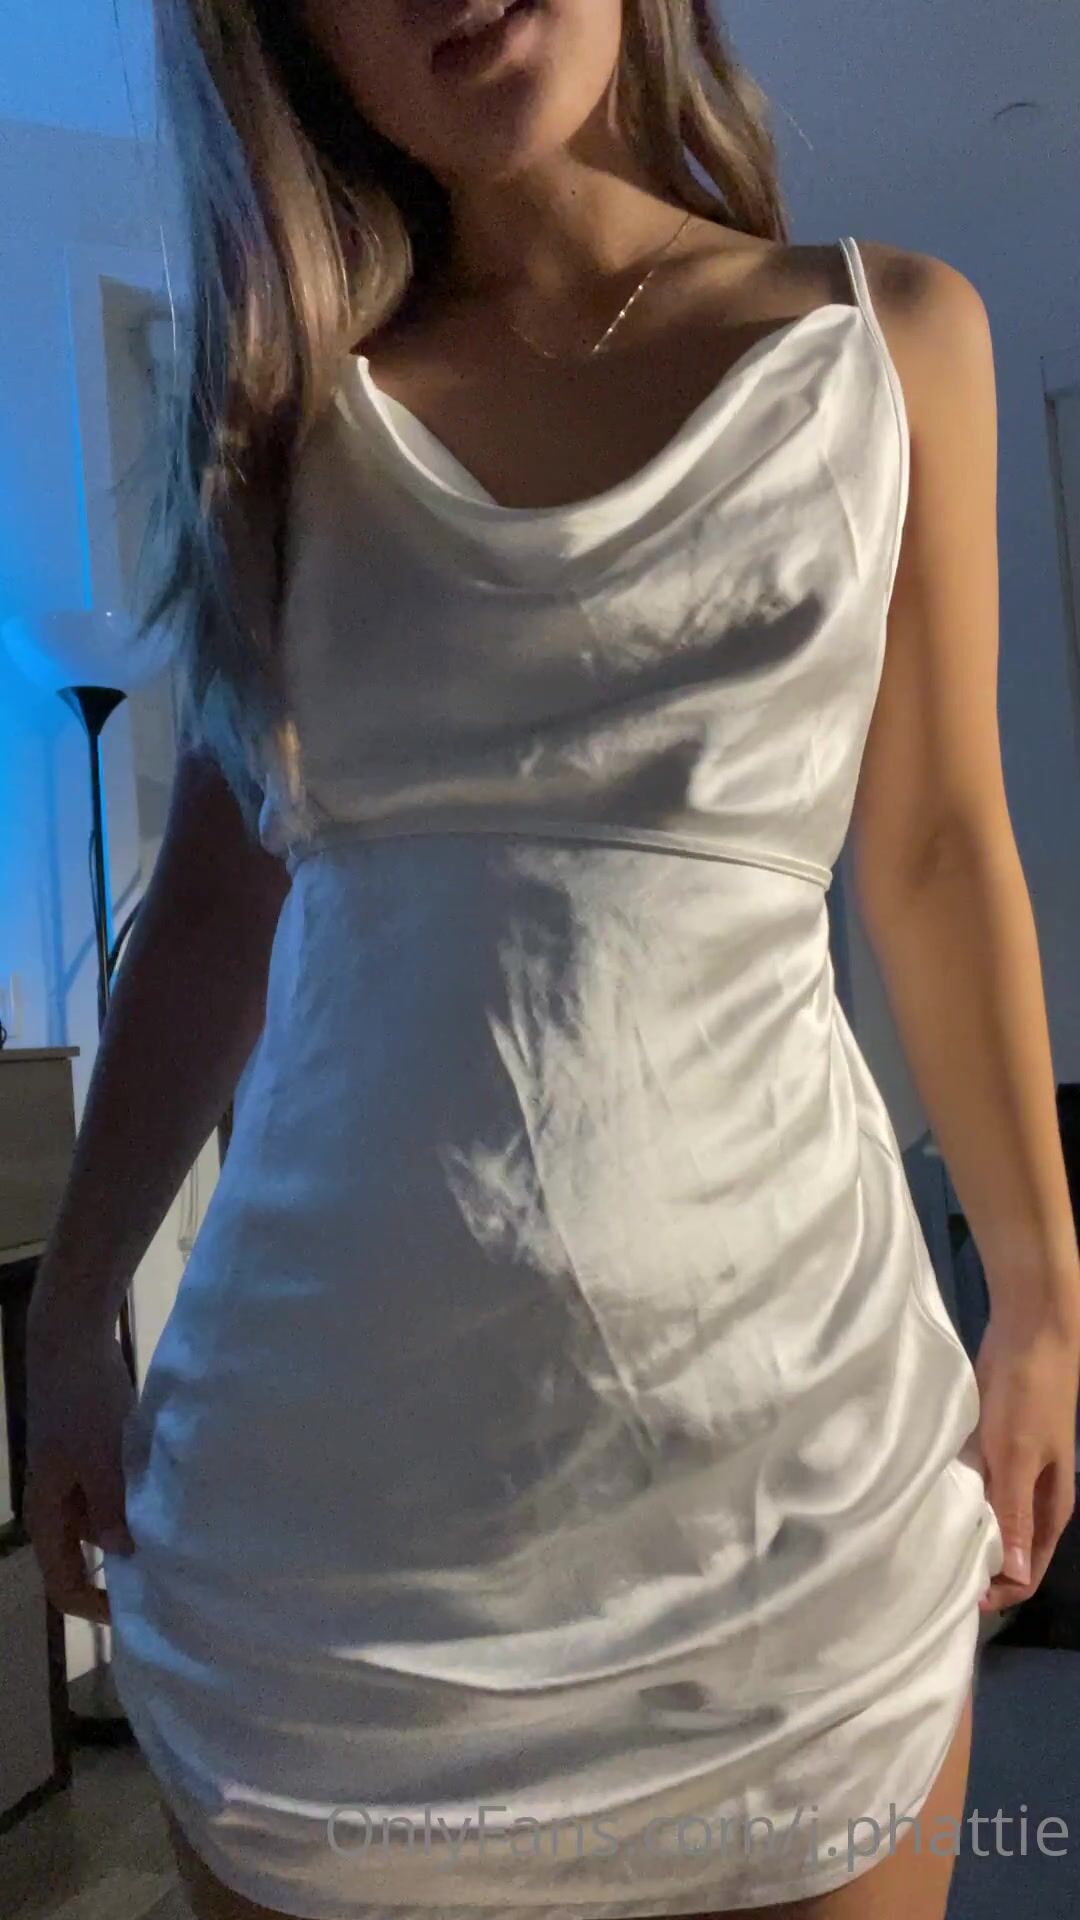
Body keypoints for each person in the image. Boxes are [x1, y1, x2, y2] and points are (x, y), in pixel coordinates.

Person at [23, 2, 1080, 1917]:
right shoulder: (277, 416)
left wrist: (1043, 1292)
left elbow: (937, 849)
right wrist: (71, 1299)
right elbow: (210, 902)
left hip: (788, 1487)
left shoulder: (891, 340)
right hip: (329, 1555)